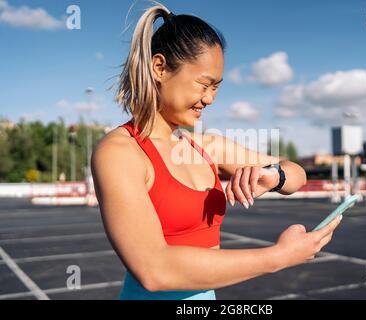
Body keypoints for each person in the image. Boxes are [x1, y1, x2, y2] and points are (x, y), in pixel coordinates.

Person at [91, 2, 342, 300]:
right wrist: (279, 256)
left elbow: (296, 172)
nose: (210, 99)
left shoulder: (207, 147)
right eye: (203, 84)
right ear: (159, 68)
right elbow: (154, 270)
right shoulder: (120, 152)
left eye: (217, 88)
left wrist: (273, 176)